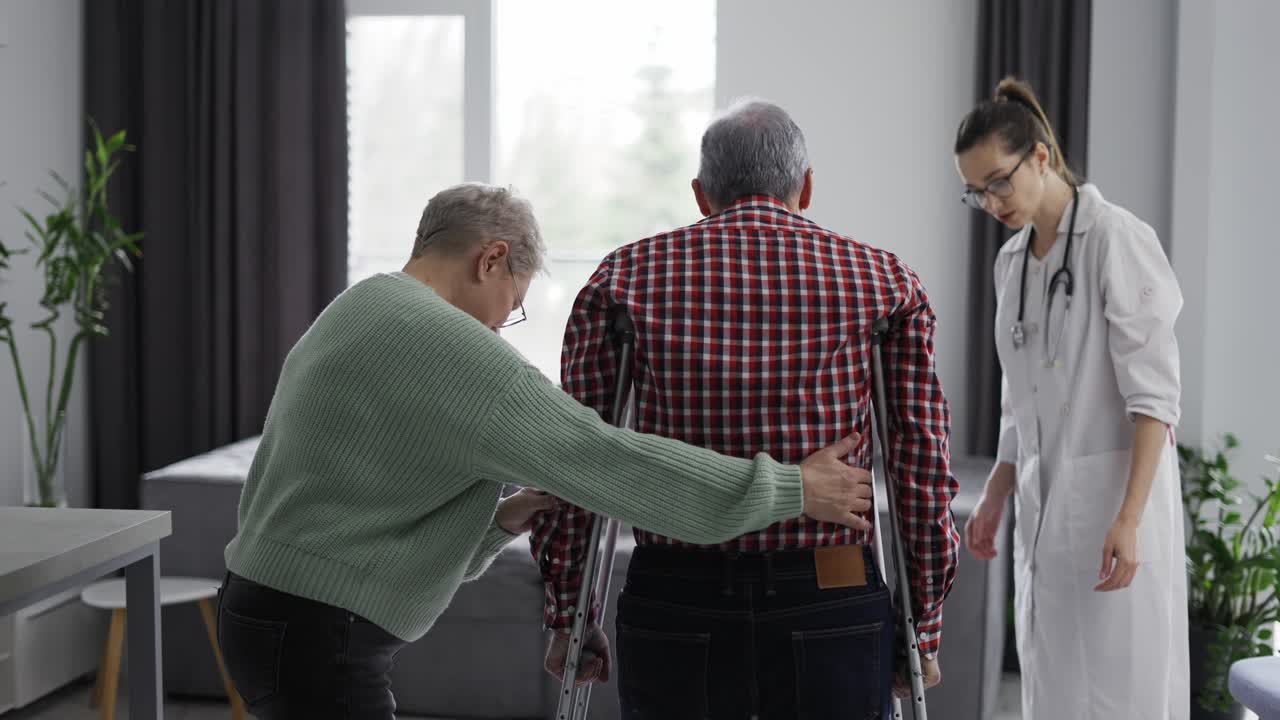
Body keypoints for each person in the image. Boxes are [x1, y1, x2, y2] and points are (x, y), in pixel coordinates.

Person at [216, 183, 878, 719]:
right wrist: (792, 488)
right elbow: (615, 464)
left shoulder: (361, 307)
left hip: (258, 612)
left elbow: (359, 490)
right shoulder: (451, 346)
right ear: (491, 259)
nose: (504, 322)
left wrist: (501, 520)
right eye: (515, 301)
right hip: (319, 637)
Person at [532, 100, 959, 719]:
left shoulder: (624, 278)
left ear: (702, 195)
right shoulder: (882, 280)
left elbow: (578, 457)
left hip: (674, 591)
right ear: (806, 186)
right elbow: (922, 460)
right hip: (831, 590)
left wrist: (568, 614)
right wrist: (923, 625)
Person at [956, 78, 1188, 719]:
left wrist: (1130, 517)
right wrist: (996, 493)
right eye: (976, 192)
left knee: (1120, 692)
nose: (991, 200)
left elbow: (1155, 400)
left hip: (1114, 508)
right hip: (1044, 508)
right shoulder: (1012, 263)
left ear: (1038, 156)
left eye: (999, 181)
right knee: (1054, 689)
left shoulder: (1117, 239)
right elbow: (1019, 397)